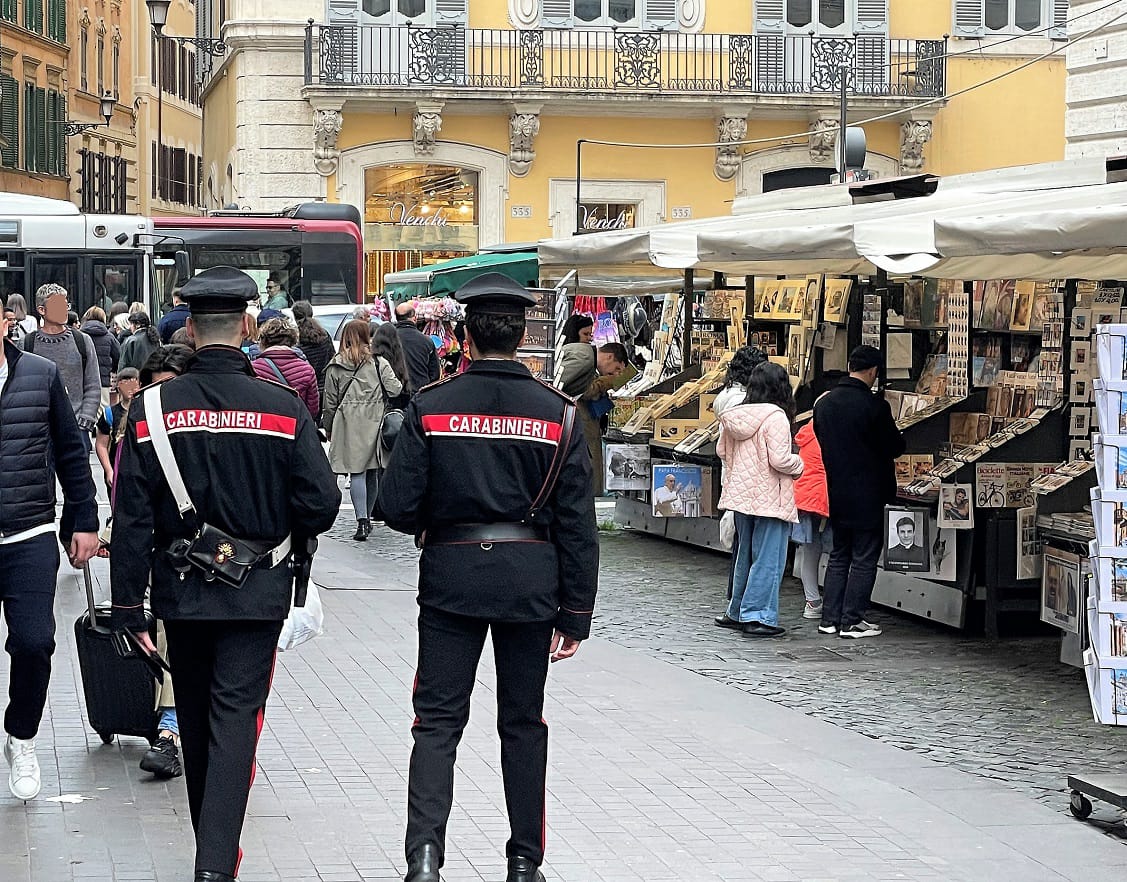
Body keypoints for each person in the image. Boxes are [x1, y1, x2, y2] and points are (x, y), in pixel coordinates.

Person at [109, 267, 339, 882]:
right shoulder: (283, 407)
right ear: (246, 326)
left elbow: (129, 514)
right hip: (257, 589)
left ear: (189, 328)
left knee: (193, 714)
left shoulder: (150, 410)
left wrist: (129, 609)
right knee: (235, 722)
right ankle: (214, 867)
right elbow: (321, 504)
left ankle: (210, 855)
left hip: (181, 592)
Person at [377, 272, 598, 882]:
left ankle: (424, 857)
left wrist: (443, 518)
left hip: (451, 579)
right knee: (523, 724)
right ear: (523, 334)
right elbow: (578, 521)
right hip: (532, 583)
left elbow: (395, 507)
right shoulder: (560, 414)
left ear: (465, 336)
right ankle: (525, 861)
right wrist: (576, 612)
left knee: (438, 722)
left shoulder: (431, 407)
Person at [0, 306, 100, 801]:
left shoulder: (40, 376)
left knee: (35, 642)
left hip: (28, 533)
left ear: (4, 323)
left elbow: (69, 452)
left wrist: (83, 520)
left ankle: (21, 736)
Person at [813, 345, 906, 639]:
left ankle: (829, 618)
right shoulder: (875, 406)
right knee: (865, 556)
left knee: (839, 553)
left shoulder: (824, 404)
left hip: (837, 489)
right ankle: (852, 620)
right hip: (869, 492)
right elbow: (894, 446)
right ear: (873, 371)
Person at [714, 362, 804, 639]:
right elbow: (779, 459)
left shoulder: (736, 415)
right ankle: (758, 615)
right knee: (768, 558)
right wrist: (798, 463)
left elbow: (722, 451)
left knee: (745, 555)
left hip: (742, 496)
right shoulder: (775, 416)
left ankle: (737, 609)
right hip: (769, 496)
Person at [322, 319, 402, 541]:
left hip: (348, 422)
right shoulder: (378, 362)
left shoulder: (336, 364)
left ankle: (362, 520)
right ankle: (367, 517)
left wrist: (328, 427)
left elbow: (329, 401)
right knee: (372, 471)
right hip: (374, 420)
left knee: (356, 471)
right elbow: (395, 389)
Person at [21, 284, 101, 448]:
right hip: (38, 429)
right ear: (42, 310)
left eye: (66, 305)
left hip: (76, 427)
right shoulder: (28, 343)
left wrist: (85, 420)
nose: (64, 309)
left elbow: (93, 384)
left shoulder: (82, 341)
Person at [577, 342, 635, 496]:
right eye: (616, 368)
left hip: (590, 426)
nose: (615, 374)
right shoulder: (585, 362)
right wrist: (610, 381)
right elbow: (586, 391)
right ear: (609, 356)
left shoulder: (593, 369)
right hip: (583, 427)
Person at [792, 418, 831, 621]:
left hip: (805, 495)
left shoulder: (807, 432)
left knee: (810, 548)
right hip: (825, 496)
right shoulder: (832, 430)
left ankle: (812, 601)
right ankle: (834, 603)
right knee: (838, 552)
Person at [251, 317, 320, 419]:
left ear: (263, 341)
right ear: (292, 341)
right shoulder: (306, 369)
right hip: (294, 427)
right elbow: (313, 410)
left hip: (266, 427)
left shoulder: (253, 368)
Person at [95, 367, 140, 496]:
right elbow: (101, 444)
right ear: (118, 387)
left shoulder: (145, 410)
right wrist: (109, 470)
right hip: (117, 470)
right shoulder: (110, 414)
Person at [292, 300, 335, 404]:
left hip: (303, 389)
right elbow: (332, 357)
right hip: (324, 387)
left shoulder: (295, 338)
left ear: (295, 317)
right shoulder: (324, 335)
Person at [395, 301, 441, 392]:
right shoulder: (426, 341)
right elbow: (435, 373)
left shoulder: (389, 339)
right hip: (421, 391)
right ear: (414, 318)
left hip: (397, 393)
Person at [81, 306, 121, 409]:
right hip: (103, 380)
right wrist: (112, 369)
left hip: (83, 380)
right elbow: (118, 357)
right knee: (103, 410)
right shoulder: (109, 337)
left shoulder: (79, 336)